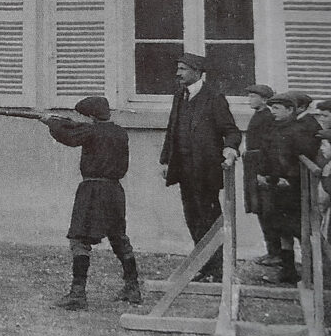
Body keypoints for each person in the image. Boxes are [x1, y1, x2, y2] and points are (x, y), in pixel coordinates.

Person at [40, 96, 142, 310]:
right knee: (119, 238)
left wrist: (51, 121)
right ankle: (132, 287)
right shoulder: (119, 132)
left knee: (79, 239)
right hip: (114, 191)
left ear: (91, 116)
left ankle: (78, 294)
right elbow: (79, 131)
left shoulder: (91, 131)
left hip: (93, 190)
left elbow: (67, 136)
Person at [160, 53, 241, 282]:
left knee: (209, 218)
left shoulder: (214, 98)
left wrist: (230, 149)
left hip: (205, 172)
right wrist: (166, 160)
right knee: (193, 218)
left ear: (197, 72)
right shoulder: (180, 95)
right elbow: (172, 128)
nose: (178, 73)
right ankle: (204, 266)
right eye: (178, 68)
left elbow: (231, 131)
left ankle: (217, 269)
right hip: (184, 171)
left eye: (183, 69)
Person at [258, 93, 319, 284]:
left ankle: (313, 273)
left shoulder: (299, 130)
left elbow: (301, 157)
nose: (273, 112)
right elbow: (269, 155)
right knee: (282, 230)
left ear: (291, 110)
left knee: (299, 230)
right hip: (278, 186)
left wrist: (286, 177)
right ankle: (288, 270)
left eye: (277, 108)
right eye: (272, 108)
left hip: (293, 188)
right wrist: (265, 174)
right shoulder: (278, 127)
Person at [241, 84, 278, 266]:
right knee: (260, 209)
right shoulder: (259, 115)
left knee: (267, 210)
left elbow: (268, 147)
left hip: (260, 167)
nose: (250, 99)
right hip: (253, 165)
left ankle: (275, 253)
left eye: (253, 96)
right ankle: (271, 251)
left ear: (264, 100)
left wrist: (262, 171)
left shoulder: (268, 117)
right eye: (249, 96)